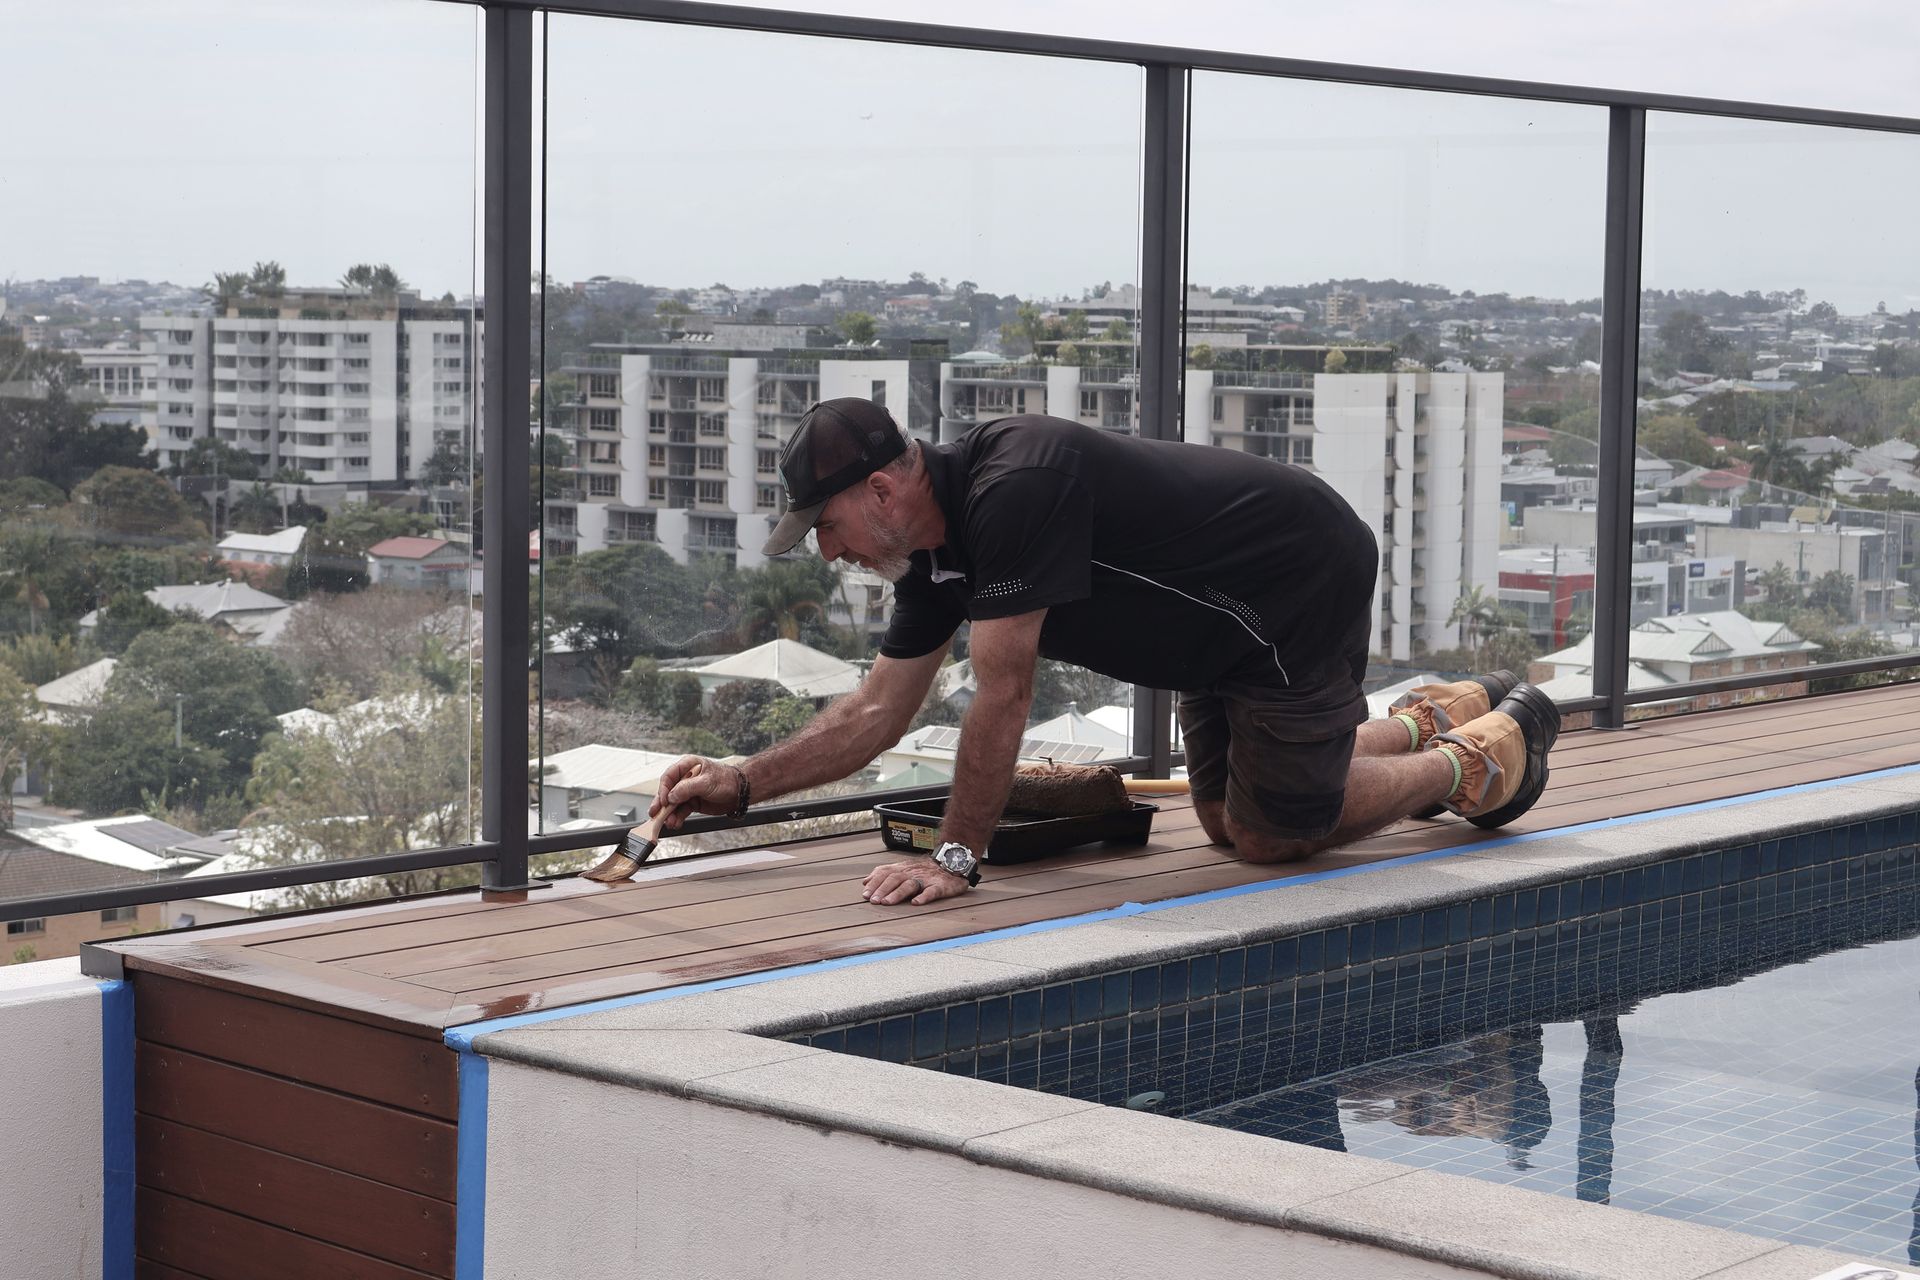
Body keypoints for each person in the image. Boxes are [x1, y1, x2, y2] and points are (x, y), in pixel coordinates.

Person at [650, 398, 1557, 906]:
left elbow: (1002, 696)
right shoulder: (930, 555)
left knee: (1274, 834)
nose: (828, 550)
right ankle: (1420, 720)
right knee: (1220, 819)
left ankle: (1472, 762)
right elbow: (878, 711)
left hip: (1287, 584)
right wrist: (738, 784)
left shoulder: (1014, 487)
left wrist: (956, 860)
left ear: (882, 490)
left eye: (829, 526)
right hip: (1211, 631)